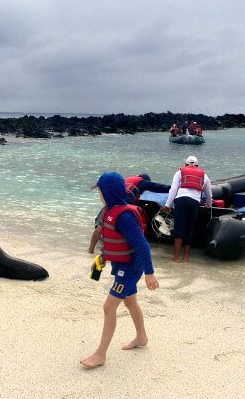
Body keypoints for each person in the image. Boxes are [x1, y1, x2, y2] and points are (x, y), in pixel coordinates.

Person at [81, 172, 159, 369]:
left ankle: (100, 354)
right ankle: (141, 337)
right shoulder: (110, 210)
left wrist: (150, 273)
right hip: (124, 266)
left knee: (109, 307)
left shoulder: (124, 216)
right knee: (130, 302)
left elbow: (142, 246)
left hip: (130, 269)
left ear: (106, 192)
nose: (98, 194)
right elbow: (116, 243)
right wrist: (102, 258)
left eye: (99, 191)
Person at [88, 174, 171, 253]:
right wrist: (175, 187)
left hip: (110, 200)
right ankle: (126, 250)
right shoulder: (142, 182)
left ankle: (91, 249)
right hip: (123, 202)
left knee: (101, 226)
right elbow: (159, 187)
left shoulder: (126, 179)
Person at [160, 156, 212, 262]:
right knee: (190, 227)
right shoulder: (204, 176)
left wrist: (167, 205)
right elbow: (209, 194)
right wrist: (208, 206)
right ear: (197, 166)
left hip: (181, 200)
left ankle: (176, 257)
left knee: (179, 227)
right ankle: (186, 256)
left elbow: (173, 190)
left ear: (185, 165)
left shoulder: (179, 173)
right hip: (194, 202)